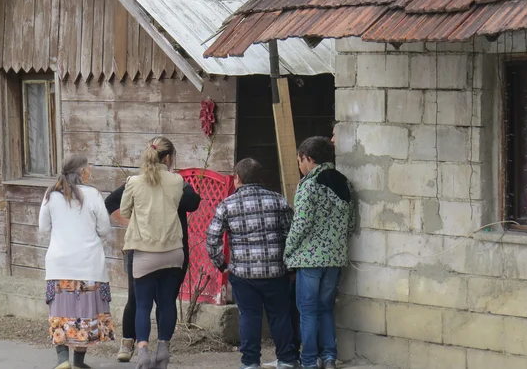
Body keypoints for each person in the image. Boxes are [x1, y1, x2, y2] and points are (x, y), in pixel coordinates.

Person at [207, 158, 299, 369]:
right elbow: (291, 235)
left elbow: (212, 239)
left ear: (237, 179)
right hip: (276, 272)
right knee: (280, 315)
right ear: (261, 178)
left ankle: (250, 363)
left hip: (243, 274)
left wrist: (222, 266)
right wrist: (290, 267)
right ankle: (286, 359)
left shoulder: (227, 204)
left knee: (249, 316)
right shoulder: (278, 200)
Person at [105, 179, 201, 362]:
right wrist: (133, 224)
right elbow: (111, 202)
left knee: (164, 300)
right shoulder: (137, 182)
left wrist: (178, 184)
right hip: (142, 247)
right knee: (136, 298)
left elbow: (193, 202)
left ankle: (159, 347)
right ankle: (128, 341)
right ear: (168, 159)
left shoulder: (175, 183)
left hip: (170, 247)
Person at [285, 137, 355, 369]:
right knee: (326, 308)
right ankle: (329, 357)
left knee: (307, 311)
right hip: (335, 259)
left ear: (309, 158)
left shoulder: (309, 185)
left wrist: (288, 252)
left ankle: (308, 361)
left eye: (300, 160)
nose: (299, 166)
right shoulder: (345, 183)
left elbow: (300, 225)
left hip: (310, 260)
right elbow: (351, 224)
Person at [39, 154, 114, 369]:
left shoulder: (51, 194)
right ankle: (79, 362)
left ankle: (62, 360)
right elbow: (105, 229)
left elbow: (43, 228)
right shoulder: (93, 195)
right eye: (88, 168)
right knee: (84, 314)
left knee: (60, 314)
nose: (90, 172)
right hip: (88, 265)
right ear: (81, 172)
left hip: (59, 265)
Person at [121, 137, 186, 369]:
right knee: (167, 303)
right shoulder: (177, 180)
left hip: (144, 253)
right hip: (173, 252)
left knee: (143, 305)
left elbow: (125, 211)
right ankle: (163, 350)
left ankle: (143, 354)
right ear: (167, 158)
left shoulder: (134, 182)